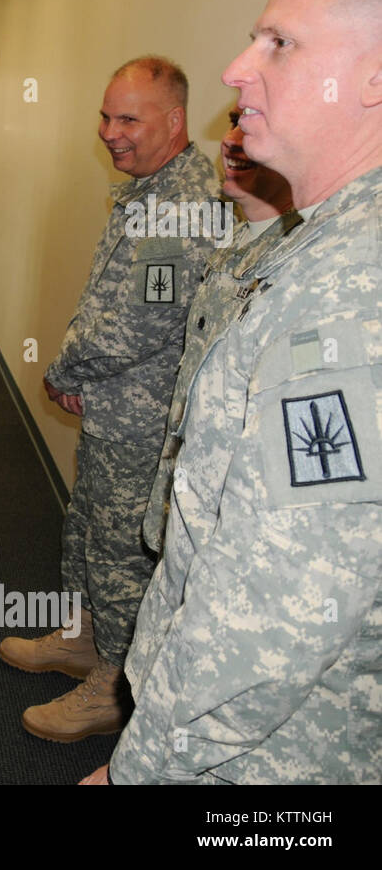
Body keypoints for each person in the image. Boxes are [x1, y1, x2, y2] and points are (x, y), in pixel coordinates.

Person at [83, 0, 382, 786]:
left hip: (265, 769)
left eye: (279, 43)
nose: (236, 69)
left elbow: (278, 613)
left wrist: (140, 766)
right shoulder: (322, 250)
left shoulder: (352, 289)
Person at [0, 56, 216, 743]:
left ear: (174, 121)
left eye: (129, 119)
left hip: (141, 420)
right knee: (90, 530)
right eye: (105, 115)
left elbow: (137, 323)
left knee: (122, 552)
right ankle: (85, 638)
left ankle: (113, 688)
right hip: (115, 409)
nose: (110, 132)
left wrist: (65, 369)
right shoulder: (149, 189)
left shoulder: (182, 206)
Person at [140, 106, 296, 557]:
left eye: (254, 124)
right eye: (234, 122)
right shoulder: (236, 240)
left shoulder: (298, 265)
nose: (231, 140)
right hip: (189, 482)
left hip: (229, 522)